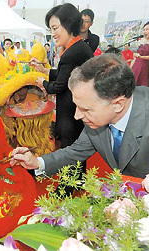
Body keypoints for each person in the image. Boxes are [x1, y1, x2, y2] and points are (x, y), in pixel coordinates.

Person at [11, 53, 149, 179]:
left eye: (85, 110)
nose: (77, 116)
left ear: (117, 104)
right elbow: (77, 151)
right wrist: (37, 162)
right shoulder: (98, 112)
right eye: (77, 107)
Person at [30, 3, 93, 149]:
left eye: (55, 28)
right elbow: (66, 74)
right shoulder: (79, 47)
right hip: (78, 111)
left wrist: (43, 82)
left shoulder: (71, 53)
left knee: (71, 154)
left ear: (68, 24)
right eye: (51, 29)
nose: (52, 34)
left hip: (71, 113)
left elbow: (59, 86)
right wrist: (45, 70)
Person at [132, 20, 149, 87]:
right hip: (135, 65)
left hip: (143, 67)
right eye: (144, 30)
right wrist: (135, 55)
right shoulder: (143, 41)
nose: (145, 31)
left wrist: (142, 57)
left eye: (147, 29)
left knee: (140, 87)